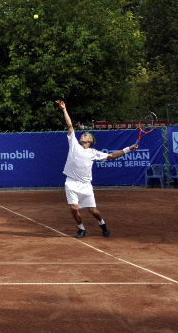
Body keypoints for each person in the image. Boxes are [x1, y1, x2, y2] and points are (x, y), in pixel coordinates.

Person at [56, 100, 138, 238]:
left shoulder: (94, 152)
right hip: (71, 182)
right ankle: (81, 228)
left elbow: (112, 155)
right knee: (73, 208)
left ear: (89, 141)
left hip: (86, 185)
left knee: (93, 211)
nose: (82, 135)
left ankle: (102, 223)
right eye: (83, 134)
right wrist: (64, 109)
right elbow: (69, 125)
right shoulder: (74, 144)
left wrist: (129, 149)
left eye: (85, 135)